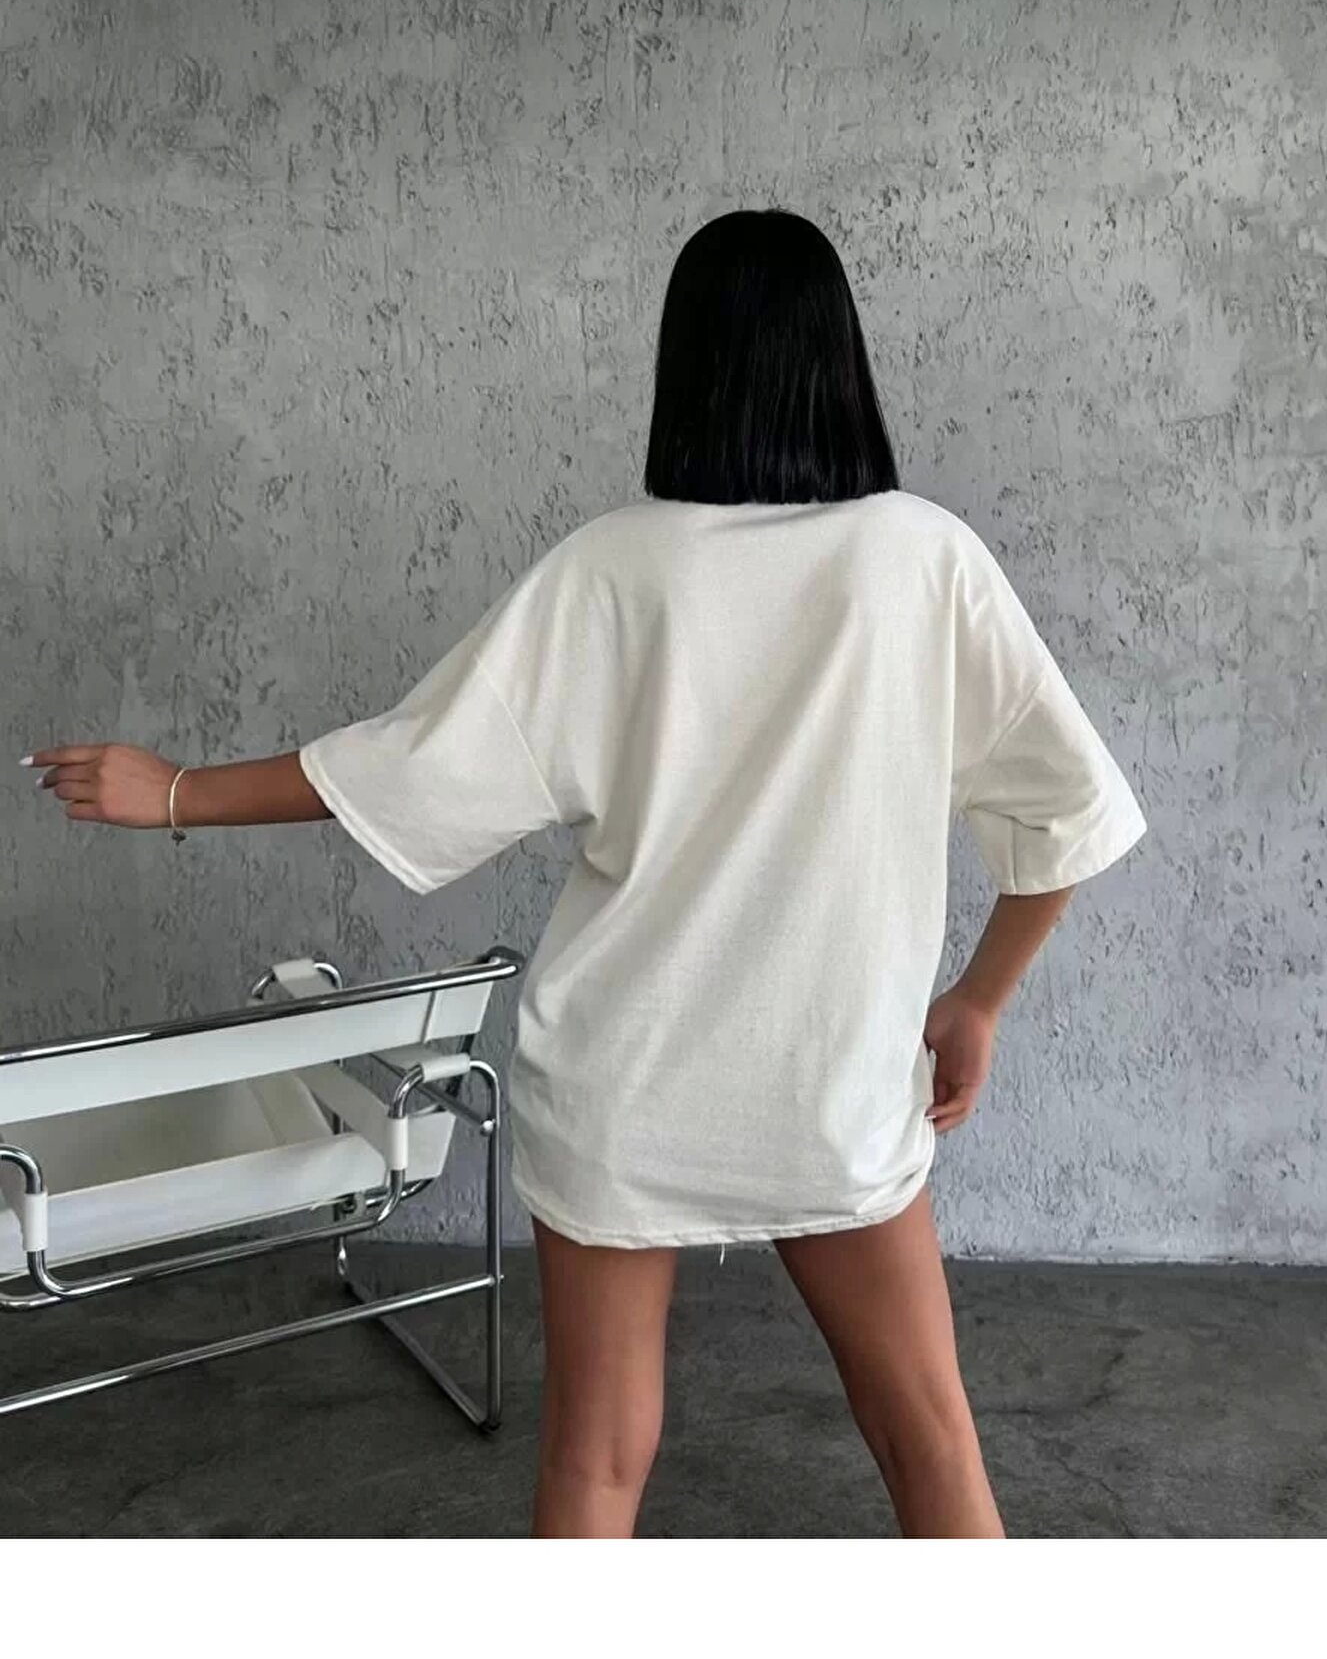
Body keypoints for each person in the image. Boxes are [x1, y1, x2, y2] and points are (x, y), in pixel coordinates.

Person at [24, 207, 1146, 1540]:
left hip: (629, 1085)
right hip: (835, 1085)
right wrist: (978, 1001)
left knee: (598, 1459)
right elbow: (1068, 809)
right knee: (930, 1440)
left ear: (688, 365)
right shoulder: (927, 560)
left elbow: (412, 764)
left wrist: (178, 795)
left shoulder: (611, 570)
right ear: (837, 359)